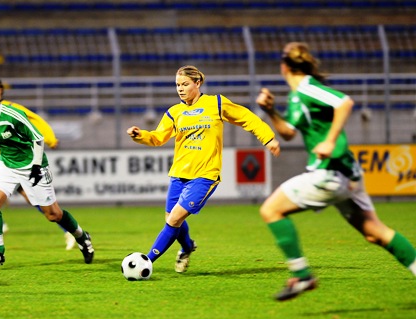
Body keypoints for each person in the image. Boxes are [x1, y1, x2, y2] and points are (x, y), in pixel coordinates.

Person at [256, 41, 416, 301]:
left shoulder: (308, 89)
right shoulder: (297, 97)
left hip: (329, 172)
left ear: (283, 67)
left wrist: (330, 140)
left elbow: (344, 102)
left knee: (271, 210)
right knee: (376, 232)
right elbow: (287, 133)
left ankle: (302, 275)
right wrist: (271, 111)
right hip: (346, 173)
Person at [127, 65, 280, 274]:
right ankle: (187, 247)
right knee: (172, 220)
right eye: (177, 85)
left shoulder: (215, 103)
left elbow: (246, 117)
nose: (180, 89)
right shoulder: (174, 112)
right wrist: (141, 135)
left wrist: (268, 138)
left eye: (185, 84)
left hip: (205, 175)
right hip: (179, 174)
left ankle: (146, 261)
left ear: (197, 83)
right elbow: (157, 138)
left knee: (174, 220)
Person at [0, 76, 94, 266]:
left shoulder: (13, 115)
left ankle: (82, 237)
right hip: (7, 165)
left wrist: (36, 166)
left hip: (32, 165)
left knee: (53, 215)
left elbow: (37, 138)